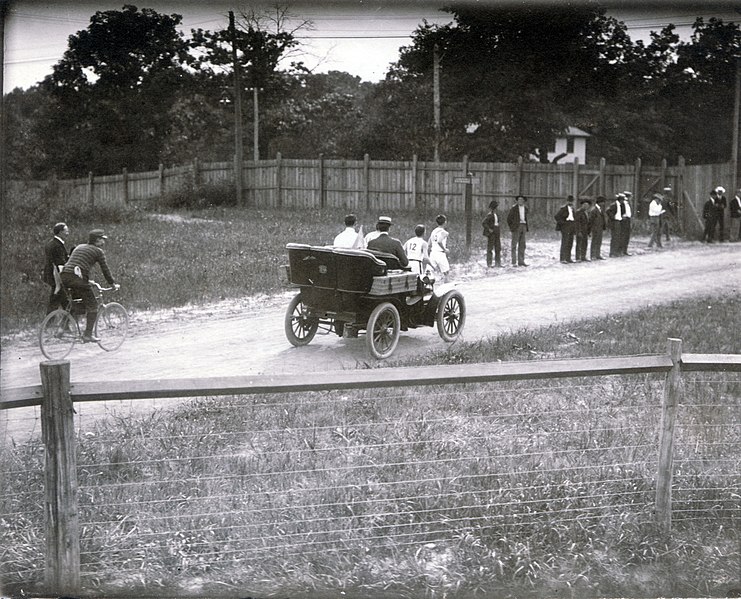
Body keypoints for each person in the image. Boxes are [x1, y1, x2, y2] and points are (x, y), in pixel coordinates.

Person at [60, 229, 119, 343]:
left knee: (77, 303)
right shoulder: (98, 251)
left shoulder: (79, 247)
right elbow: (105, 269)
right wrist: (112, 284)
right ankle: (87, 335)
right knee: (93, 306)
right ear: (97, 240)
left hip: (65, 276)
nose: (104, 242)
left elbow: (76, 265)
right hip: (77, 278)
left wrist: (87, 281)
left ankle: (62, 328)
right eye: (102, 239)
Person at [43, 222, 70, 314]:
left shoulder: (51, 243)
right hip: (57, 277)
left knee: (63, 300)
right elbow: (60, 264)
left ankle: (65, 324)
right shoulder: (57, 245)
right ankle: (48, 325)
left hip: (51, 276)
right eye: (66, 231)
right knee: (57, 300)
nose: (68, 233)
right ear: (60, 232)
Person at [506, 195, 529, 267]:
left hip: (523, 226)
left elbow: (525, 217)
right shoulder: (514, 208)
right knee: (514, 244)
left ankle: (521, 261)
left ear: (524, 201)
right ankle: (514, 262)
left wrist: (525, 226)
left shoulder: (525, 208)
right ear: (517, 201)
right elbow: (509, 219)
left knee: (522, 244)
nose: (520, 201)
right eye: (519, 200)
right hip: (516, 227)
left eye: (522, 200)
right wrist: (512, 227)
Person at [554, 195, 576, 263]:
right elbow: (557, 216)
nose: (570, 202)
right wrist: (563, 224)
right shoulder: (563, 209)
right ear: (567, 201)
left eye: (572, 201)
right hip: (566, 227)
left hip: (571, 226)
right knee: (565, 242)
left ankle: (568, 258)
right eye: (569, 201)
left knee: (570, 242)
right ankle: (562, 258)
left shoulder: (573, 209)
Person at [428, 214, 450, 279]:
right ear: (445, 222)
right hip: (440, 253)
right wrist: (445, 249)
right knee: (446, 273)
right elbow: (439, 241)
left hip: (433, 253)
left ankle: (429, 287)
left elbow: (429, 243)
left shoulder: (433, 231)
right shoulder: (444, 232)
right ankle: (446, 287)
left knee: (430, 272)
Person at [481, 200, 502, 268]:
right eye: (494, 208)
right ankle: (489, 263)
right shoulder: (489, 215)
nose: (495, 209)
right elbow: (483, 223)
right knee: (490, 248)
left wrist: (498, 225)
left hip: (497, 231)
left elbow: (498, 221)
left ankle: (498, 263)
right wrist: (489, 229)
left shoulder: (497, 215)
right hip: (492, 232)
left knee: (498, 247)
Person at [606, 193, 624, 257]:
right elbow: (607, 211)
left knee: (618, 237)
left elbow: (622, 212)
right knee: (614, 238)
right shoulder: (614, 205)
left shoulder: (621, 205)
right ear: (620, 200)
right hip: (615, 222)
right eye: (622, 200)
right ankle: (612, 252)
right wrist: (613, 217)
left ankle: (616, 252)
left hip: (619, 221)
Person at [589, 196, 607, 260]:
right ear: (599, 202)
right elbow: (591, 220)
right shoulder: (594, 210)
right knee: (594, 241)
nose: (604, 204)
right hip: (595, 228)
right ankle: (593, 255)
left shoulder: (600, 210)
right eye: (603, 202)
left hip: (600, 228)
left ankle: (597, 254)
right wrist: (590, 230)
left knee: (599, 241)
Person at [621, 191, 633, 255]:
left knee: (627, 235)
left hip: (628, 219)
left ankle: (625, 250)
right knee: (623, 235)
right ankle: (622, 250)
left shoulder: (628, 204)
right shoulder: (623, 203)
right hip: (624, 220)